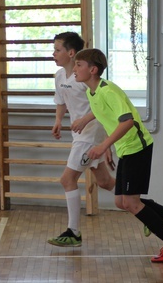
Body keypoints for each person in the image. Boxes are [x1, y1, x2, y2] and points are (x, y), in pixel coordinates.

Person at [73, 48, 163, 263]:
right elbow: (104, 113)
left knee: (131, 202)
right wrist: (87, 121)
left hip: (137, 147)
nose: (74, 69)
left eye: (78, 65)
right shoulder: (93, 92)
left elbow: (127, 121)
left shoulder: (107, 90)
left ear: (92, 70)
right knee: (122, 201)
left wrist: (103, 146)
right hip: (125, 148)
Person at [47, 32, 116, 247]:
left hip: (90, 134)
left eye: (57, 50)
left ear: (71, 53)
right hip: (80, 135)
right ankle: (144, 206)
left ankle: (73, 232)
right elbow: (61, 100)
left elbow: (103, 107)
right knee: (105, 183)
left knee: (67, 180)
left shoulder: (86, 79)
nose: (53, 54)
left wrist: (106, 143)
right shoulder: (60, 76)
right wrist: (58, 120)